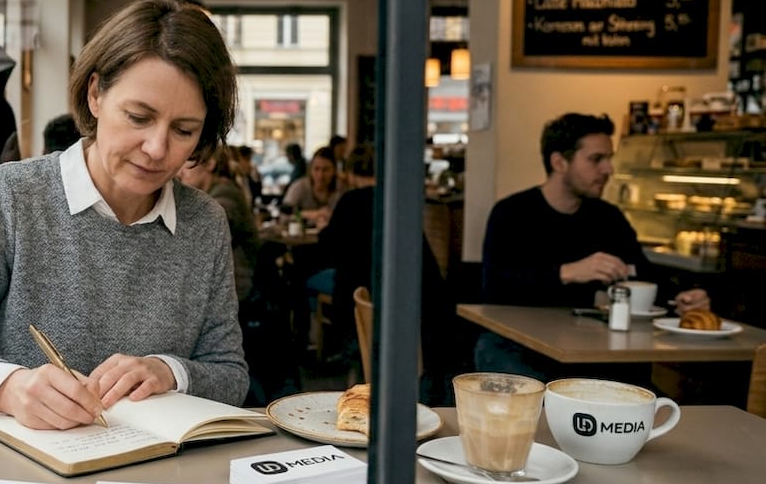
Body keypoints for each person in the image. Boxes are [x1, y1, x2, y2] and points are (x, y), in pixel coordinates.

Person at [0, 0, 249, 428]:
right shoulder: (10, 197)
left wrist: (170, 371)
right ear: (95, 95)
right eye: (138, 117)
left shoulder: (205, 222)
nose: (157, 148)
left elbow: (231, 374)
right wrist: (9, 389)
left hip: (158, 463)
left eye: (184, 130)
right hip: (24, 464)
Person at [476, 112, 711, 379]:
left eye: (609, 158)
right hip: (521, 348)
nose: (608, 169)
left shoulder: (608, 218)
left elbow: (644, 275)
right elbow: (495, 288)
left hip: (594, 351)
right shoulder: (512, 213)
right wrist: (569, 272)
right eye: (596, 159)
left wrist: (681, 298)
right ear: (559, 162)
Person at [315, 143, 455, 402]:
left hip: (360, 308)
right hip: (416, 314)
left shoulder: (349, 202)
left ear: (349, 172)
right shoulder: (398, 201)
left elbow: (328, 250)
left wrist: (325, 228)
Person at [178, 146, 258, 302]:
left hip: (234, 288)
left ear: (210, 164)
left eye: (186, 161)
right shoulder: (213, 194)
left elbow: (199, 243)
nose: (180, 172)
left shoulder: (224, 197)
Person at [282, 146, 341, 227]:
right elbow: (283, 216)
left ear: (334, 171)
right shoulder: (299, 187)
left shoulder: (342, 189)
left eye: (326, 170)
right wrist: (309, 214)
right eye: (316, 169)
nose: (320, 175)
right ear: (310, 170)